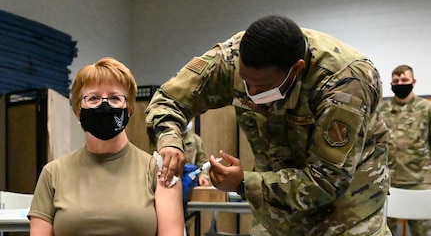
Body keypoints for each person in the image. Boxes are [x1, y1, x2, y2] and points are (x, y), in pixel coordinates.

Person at [145, 15, 391, 235]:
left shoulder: (345, 82)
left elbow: (327, 180)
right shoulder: (229, 59)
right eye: (245, 82)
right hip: (275, 218)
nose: (250, 93)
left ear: (296, 69)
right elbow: (169, 100)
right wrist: (170, 142)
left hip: (346, 217)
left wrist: (243, 183)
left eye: (262, 87)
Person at [28, 57, 184, 236]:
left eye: (115, 98)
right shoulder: (52, 174)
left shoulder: (160, 171)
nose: (104, 105)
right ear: (78, 111)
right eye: (93, 98)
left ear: (129, 109)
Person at [378, 64, 431, 236]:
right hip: (389, 182)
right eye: (396, 81)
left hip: (420, 181)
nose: (400, 83)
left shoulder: (426, 109)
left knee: (422, 231)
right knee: (386, 231)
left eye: (404, 80)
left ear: (413, 82)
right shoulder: (382, 109)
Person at [182, 121, 210, 236]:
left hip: (189, 186)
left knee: (186, 224)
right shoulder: (164, 140)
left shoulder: (195, 140)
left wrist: (203, 176)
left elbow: (203, 163)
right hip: (170, 184)